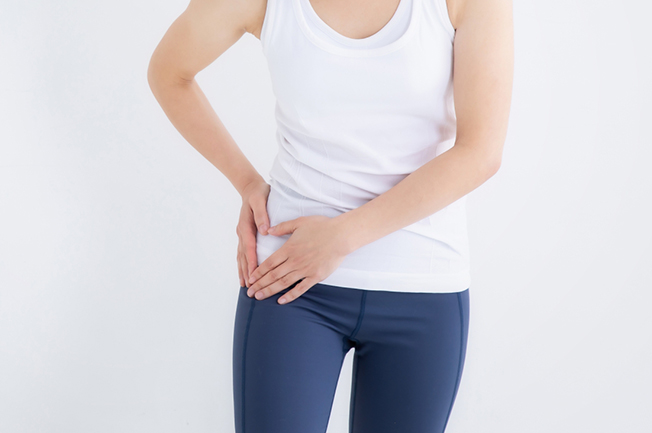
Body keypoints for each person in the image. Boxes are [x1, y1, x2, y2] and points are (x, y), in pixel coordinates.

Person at [147, 0, 513, 431]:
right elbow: (169, 73)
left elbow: (480, 152)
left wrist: (341, 237)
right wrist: (247, 184)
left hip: (422, 285)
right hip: (290, 282)